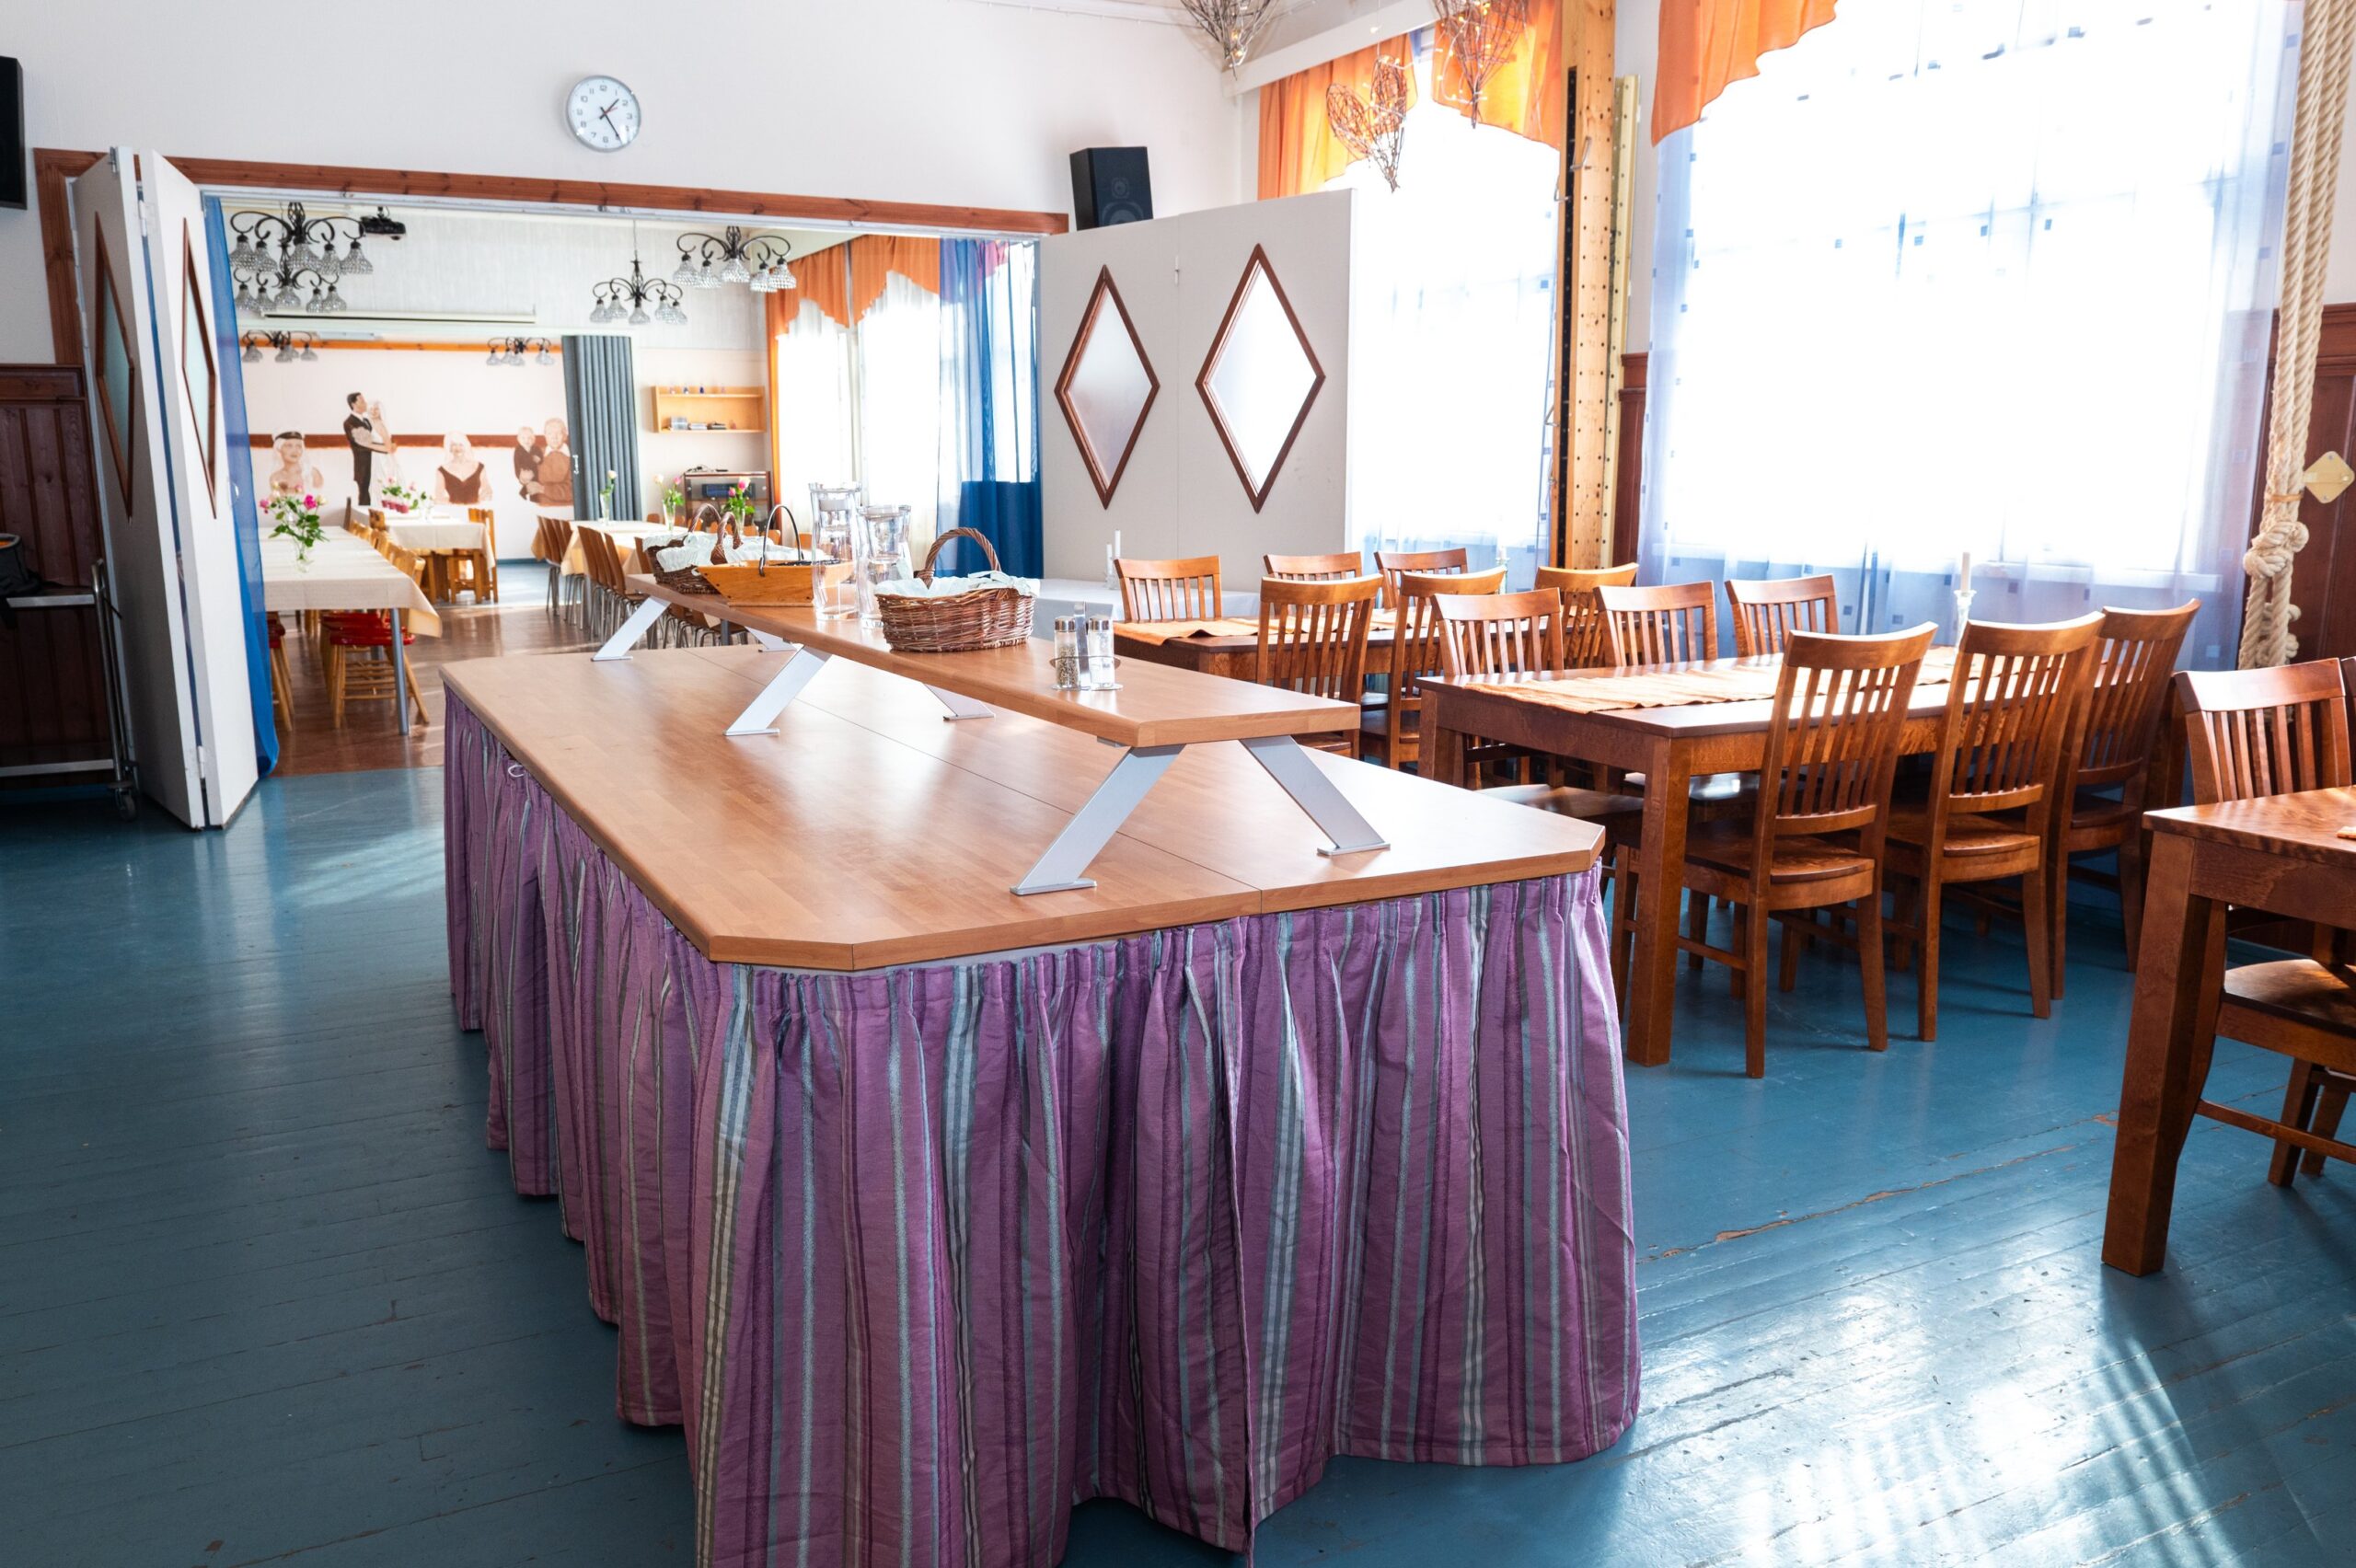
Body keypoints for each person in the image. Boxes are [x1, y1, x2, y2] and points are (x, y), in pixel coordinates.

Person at [341, 392, 387, 503]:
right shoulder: (349, 422)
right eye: (362, 401)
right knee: (365, 498)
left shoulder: (367, 420)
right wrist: (386, 448)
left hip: (375, 464)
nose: (365, 403)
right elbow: (365, 443)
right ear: (353, 404)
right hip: (363, 467)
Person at [432, 433, 487, 506]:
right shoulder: (441, 470)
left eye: (461, 444)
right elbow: (439, 496)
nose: (458, 448)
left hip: (475, 510)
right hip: (453, 510)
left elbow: (487, 491)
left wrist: (479, 501)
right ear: (449, 448)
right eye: (454, 445)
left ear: (466, 447)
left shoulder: (479, 467)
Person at [267, 432, 322, 501]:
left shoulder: (312, 473)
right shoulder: (275, 477)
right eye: (289, 446)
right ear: (279, 449)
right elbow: (276, 503)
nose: (295, 451)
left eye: (298, 446)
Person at [365, 398, 404, 491]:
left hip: (381, 459)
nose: (373, 411)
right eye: (371, 409)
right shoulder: (371, 424)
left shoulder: (380, 425)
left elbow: (388, 447)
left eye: (376, 409)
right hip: (375, 456)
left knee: (382, 482)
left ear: (381, 411)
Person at [536, 417, 574, 507]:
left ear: (565, 435)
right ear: (545, 435)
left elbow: (573, 490)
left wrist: (543, 489)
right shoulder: (536, 454)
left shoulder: (574, 456)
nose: (554, 437)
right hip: (541, 507)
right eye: (550, 433)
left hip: (568, 507)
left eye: (558, 433)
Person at [513, 425, 546, 500]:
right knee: (528, 480)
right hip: (523, 470)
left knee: (536, 482)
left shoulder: (536, 448)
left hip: (535, 471)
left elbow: (541, 458)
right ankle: (525, 492)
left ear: (533, 439)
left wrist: (539, 459)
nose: (526, 440)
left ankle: (530, 495)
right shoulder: (518, 450)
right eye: (523, 438)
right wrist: (522, 471)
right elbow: (517, 462)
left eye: (529, 438)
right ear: (518, 439)